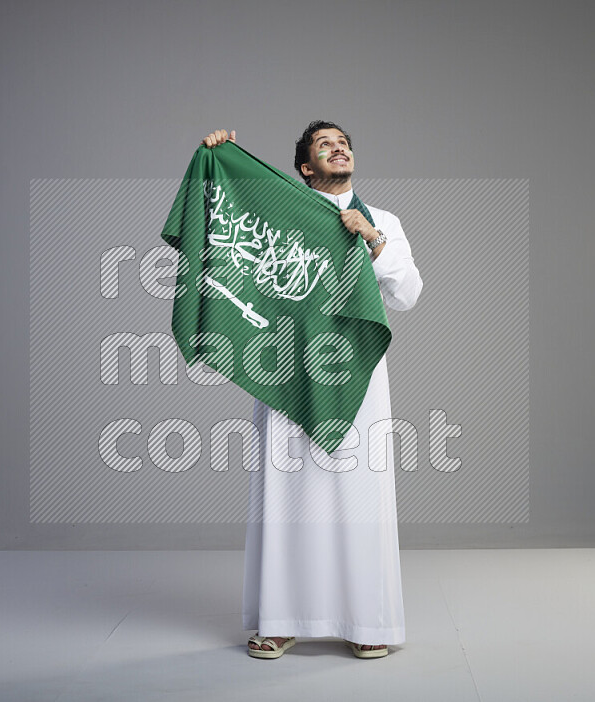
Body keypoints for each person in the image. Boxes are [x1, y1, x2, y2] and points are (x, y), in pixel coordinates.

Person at [200, 122, 423, 658]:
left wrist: (372, 240)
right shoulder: (278, 215)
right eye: (325, 144)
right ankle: (279, 619)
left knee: (359, 495)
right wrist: (218, 162)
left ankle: (366, 622)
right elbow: (226, 233)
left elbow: (409, 295)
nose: (339, 147)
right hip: (288, 367)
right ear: (305, 167)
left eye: (344, 142)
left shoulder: (382, 220)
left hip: (355, 375)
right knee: (287, 495)